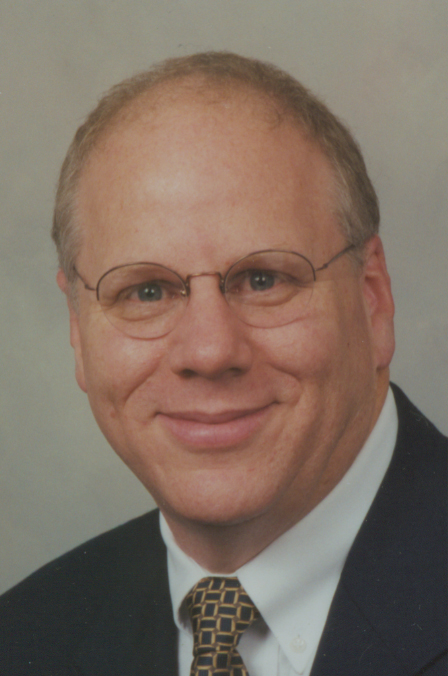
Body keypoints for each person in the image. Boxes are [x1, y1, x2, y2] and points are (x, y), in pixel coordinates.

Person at [1, 52, 446, 676]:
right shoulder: (25, 640)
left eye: (263, 279)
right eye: (146, 292)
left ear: (372, 300)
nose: (209, 352)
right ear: (78, 327)